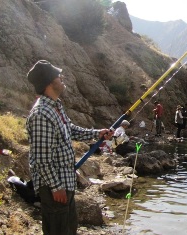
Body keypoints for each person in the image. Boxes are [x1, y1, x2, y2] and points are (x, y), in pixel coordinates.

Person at [26, 60, 112, 235]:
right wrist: (56, 187)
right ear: (49, 82)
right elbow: (42, 159)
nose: (61, 77)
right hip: (55, 187)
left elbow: (71, 130)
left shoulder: (56, 106)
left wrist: (97, 133)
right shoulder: (41, 114)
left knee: (69, 229)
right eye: (57, 75)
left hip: (65, 182)